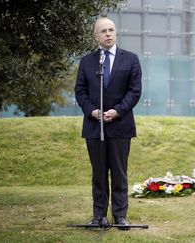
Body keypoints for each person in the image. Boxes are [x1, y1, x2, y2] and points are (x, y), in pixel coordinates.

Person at [74, 16, 142, 229]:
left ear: (116, 33)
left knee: (119, 174)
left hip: (121, 126)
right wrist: (91, 111)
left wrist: (117, 111)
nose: (108, 34)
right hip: (95, 127)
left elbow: (135, 91)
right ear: (96, 36)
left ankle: (120, 216)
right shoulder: (87, 62)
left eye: (111, 30)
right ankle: (98, 216)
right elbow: (80, 91)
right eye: (103, 31)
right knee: (99, 174)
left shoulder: (131, 59)